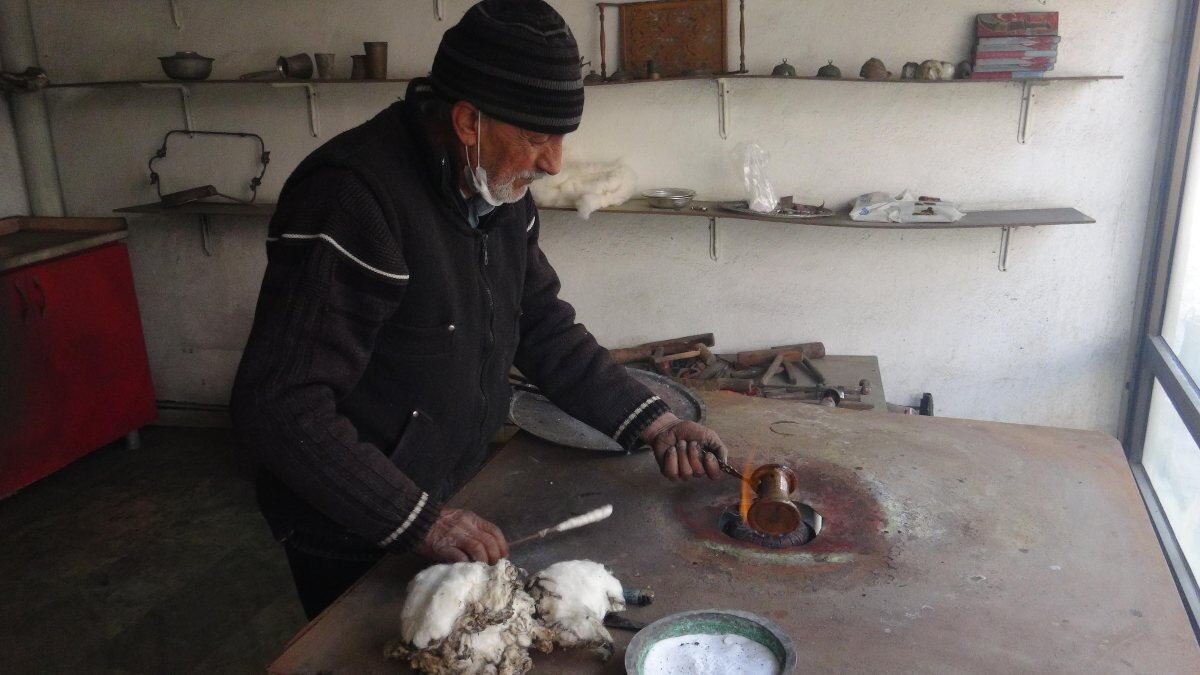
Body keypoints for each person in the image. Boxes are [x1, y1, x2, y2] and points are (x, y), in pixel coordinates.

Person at [230, 0, 727, 620]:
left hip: (440, 494)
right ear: (468, 121)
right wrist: (419, 520)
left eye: (560, 139)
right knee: (374, 652)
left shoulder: (494, 186)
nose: (553, 163)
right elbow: (279, 403)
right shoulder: (352, 199)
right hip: (351, 522)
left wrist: (654, 423)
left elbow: (540, 323)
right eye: (537, 138)